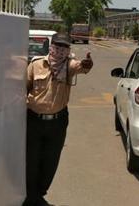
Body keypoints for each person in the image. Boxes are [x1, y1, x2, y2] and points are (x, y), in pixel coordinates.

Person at [24, 33, 93, 206]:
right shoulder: (35, 65)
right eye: (57, 46)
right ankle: (31, 197)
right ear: (51, 46)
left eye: (64, 47)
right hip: (34, 120)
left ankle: (38, 195)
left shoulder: (69, 65)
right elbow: (24, 88)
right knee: (31, 160)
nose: (60, 50)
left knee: (51, 161)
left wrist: (87, 65)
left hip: (57, 122)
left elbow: (81, 67)